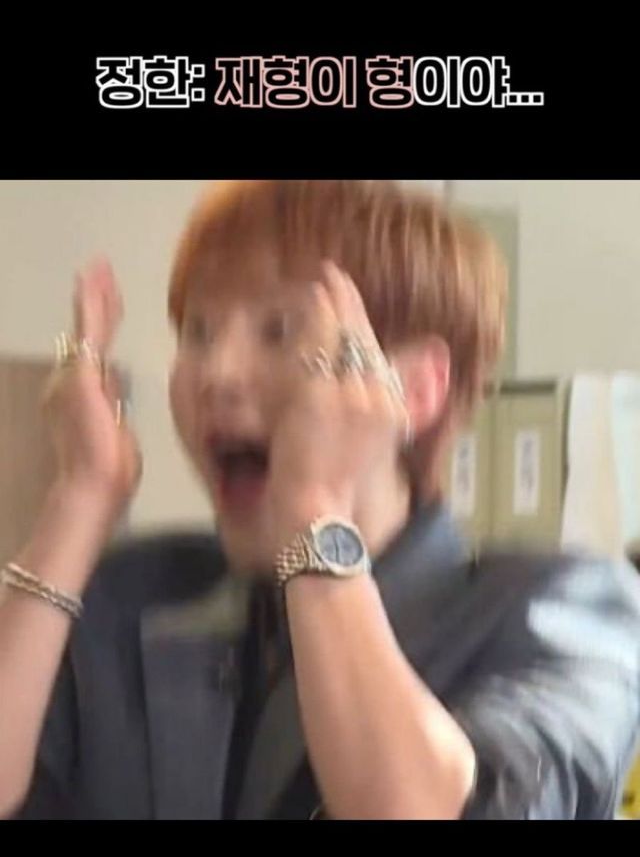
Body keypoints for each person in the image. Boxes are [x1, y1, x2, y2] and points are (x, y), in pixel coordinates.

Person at [1, 180, 639, 821]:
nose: (217, 373)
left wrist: (313, 509)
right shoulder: (131, 593)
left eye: (281, 331)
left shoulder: (566, 610)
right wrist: (80, 497)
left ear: (416, 390)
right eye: (198, 332)